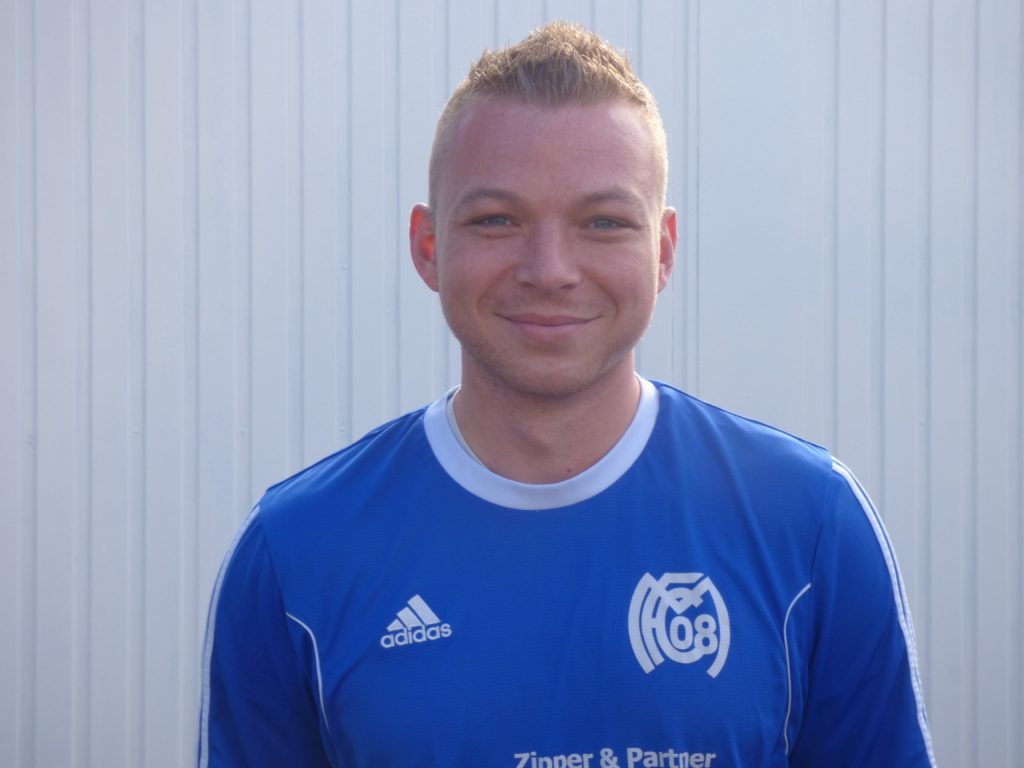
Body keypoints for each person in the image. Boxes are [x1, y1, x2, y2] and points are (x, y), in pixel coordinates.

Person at [197, 21, 935, 768]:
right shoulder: (296, 549)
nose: (549, 269)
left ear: (662, 250)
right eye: (497, 219)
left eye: (603, 222)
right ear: (429, 247)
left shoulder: (811, 523)